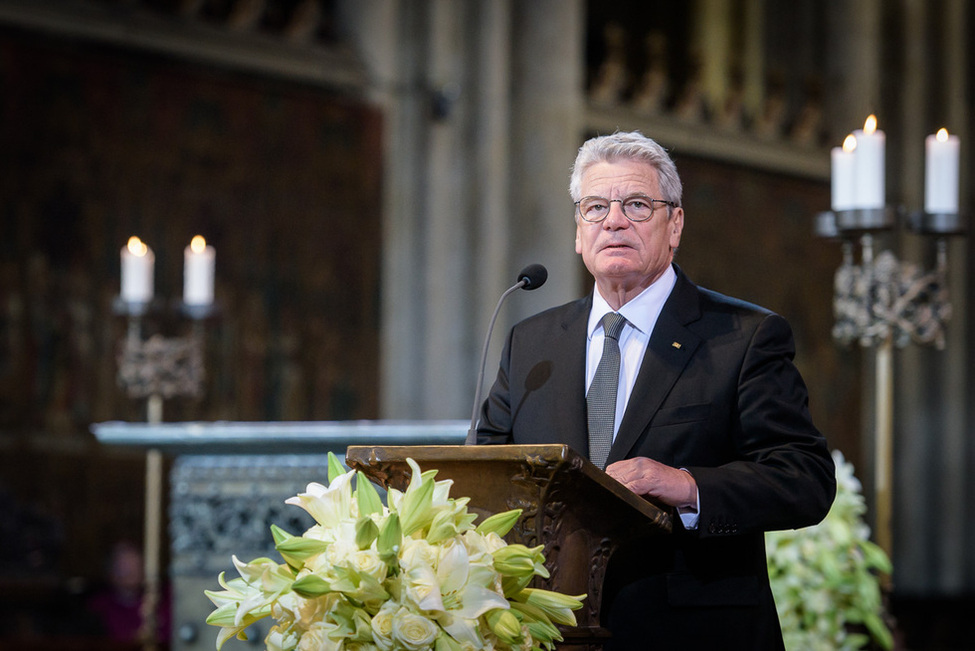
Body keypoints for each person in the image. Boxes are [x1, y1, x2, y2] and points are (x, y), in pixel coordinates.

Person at [477, 131, 836, 649]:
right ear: (579, 232)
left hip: (692, 633)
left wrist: (687, 485)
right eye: (595, 207)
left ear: (676, 224)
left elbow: (805, 479)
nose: (614, 221)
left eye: (637, 205)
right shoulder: (530, 343)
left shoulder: (743, 337)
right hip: (545, 630)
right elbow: (484, 466)